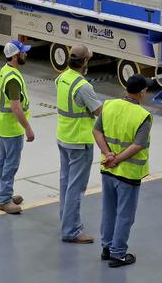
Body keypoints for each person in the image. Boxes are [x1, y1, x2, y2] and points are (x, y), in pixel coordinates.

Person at [94, 73, 152, 269]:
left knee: (109, 210)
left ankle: (107, 248)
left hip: (108, 171)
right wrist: (117, 159)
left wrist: (107, 154)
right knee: (125, 214)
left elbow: (97, 130)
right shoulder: (143, 116)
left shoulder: (109, 105)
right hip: (128, 174)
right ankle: (118, 254)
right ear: (142, 92)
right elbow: (138, 145)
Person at [56, 45, 104, 244]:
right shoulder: (83, 86)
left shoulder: (62, 78)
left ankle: (65, 220)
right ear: (84, 62)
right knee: (76, 187)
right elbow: (99, 111)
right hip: (79, 141)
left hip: (64, 137)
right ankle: (71, 230)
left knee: (66, 183)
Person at [0, 39, 34, 214]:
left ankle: (1, 195)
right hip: (12, 128)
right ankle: (4, 200)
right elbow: (16, 107)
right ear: (16, 56)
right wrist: (27, 127)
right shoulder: (13, 79)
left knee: (2, 162)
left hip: (3, 126)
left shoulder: (6, 70)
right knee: (10, 164)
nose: (26, 54)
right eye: (23, 52)